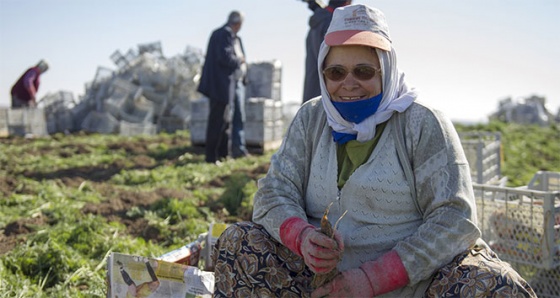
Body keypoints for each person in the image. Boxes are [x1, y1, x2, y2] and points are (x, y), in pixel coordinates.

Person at [212, 4, 536, 297]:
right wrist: (302, 237)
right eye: (336, 72)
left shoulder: (421, 122)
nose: (348, 83)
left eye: (364, 71)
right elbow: (273, 191)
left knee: (497, 286)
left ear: (387, 68)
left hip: (411, 283)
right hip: (318, 280)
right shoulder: (312, 117)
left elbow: (455, 217)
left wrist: (372, 279)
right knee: (238, 242)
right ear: (323, 75)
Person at [197, 11, 249, 163]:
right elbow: (224, 57)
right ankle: (211, 157)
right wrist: (240, 60)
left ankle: (223, 155)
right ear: (238, 24)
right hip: (220, 86)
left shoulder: (221, 33)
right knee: (217, 122)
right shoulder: (225, 34)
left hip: (222, 86)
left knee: (225, 121)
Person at [302, 0, 352, 103]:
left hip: (313, 99)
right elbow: (332, 65)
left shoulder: (321, 19)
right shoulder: (332, 24)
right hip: (326, 103)